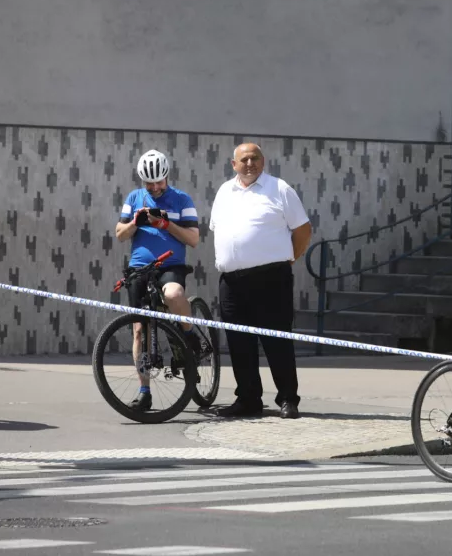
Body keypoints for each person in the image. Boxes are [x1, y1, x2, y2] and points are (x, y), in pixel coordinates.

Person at [209, 143, 312, 419]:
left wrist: (290, 257)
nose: (250, 163)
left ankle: (288, 399)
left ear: (263, 161)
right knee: (239, 343)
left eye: (255, 158)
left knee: (277, 341)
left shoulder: (279, 189)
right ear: (234, 164)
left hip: (271, 279)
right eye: (244, 159)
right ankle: (248, 399)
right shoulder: (223, 192)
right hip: (232, 282)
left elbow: (303, 230)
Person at [114, 149, 200, 412]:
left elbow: (194, 239)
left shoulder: (182, 199)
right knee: (140, 329)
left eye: (159, 182)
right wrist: (135, 224)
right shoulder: (133, 198)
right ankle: (144, 391)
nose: (154, 187)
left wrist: (166, 225)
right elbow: (120, 234)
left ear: (167, 177)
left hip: (170, 263)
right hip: (140, 267)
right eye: (149, 183)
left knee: (173, 294)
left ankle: (190, 336)